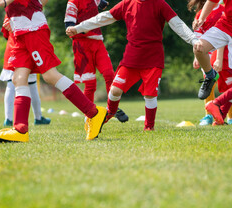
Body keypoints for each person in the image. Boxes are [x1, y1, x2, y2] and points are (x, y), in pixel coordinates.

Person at [67, 0, 198, 131]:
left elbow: (177, 24)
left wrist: (193, 40)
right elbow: (103, 17)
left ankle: (149, 127)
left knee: (150, 95)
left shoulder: (159, 3)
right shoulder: (127, 4)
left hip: (153, 58)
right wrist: (78, 28)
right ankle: (110, 113)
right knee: (114, 90)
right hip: (131, 58)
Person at [0, 0, 107, 142]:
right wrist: (12, 18)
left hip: (33, 29)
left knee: (50, 75)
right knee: (18, 78)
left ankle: (93, 112)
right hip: (20, 30)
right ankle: (20, 129)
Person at [64, 0, 128, 123]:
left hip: (98, 42)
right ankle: (89, 117)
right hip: (81, 45)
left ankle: (112, 108)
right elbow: (68, 27)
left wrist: (102, 4)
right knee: (90, 84)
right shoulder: (73, 2)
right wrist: (82, 28)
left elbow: (99, 8)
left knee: (110, 74)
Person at [188, 0, 232, 126]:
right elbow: (197, 37)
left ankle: (231, 118)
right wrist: (196, 57)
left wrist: (219, 58)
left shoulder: (223, 10)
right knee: (209, 82)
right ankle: (208, 115)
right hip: (207, 55)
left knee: (229, 84)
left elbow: (224, 35)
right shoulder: (200, 14)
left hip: (226, 53)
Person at [0, 15, 51, 127]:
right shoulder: (26, 11)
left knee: (10, 84)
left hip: (11, 50)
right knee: (31, 85)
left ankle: (8, 119)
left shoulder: (9, 12)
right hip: (24, 51)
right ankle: (38, 117)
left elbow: (5, 34)